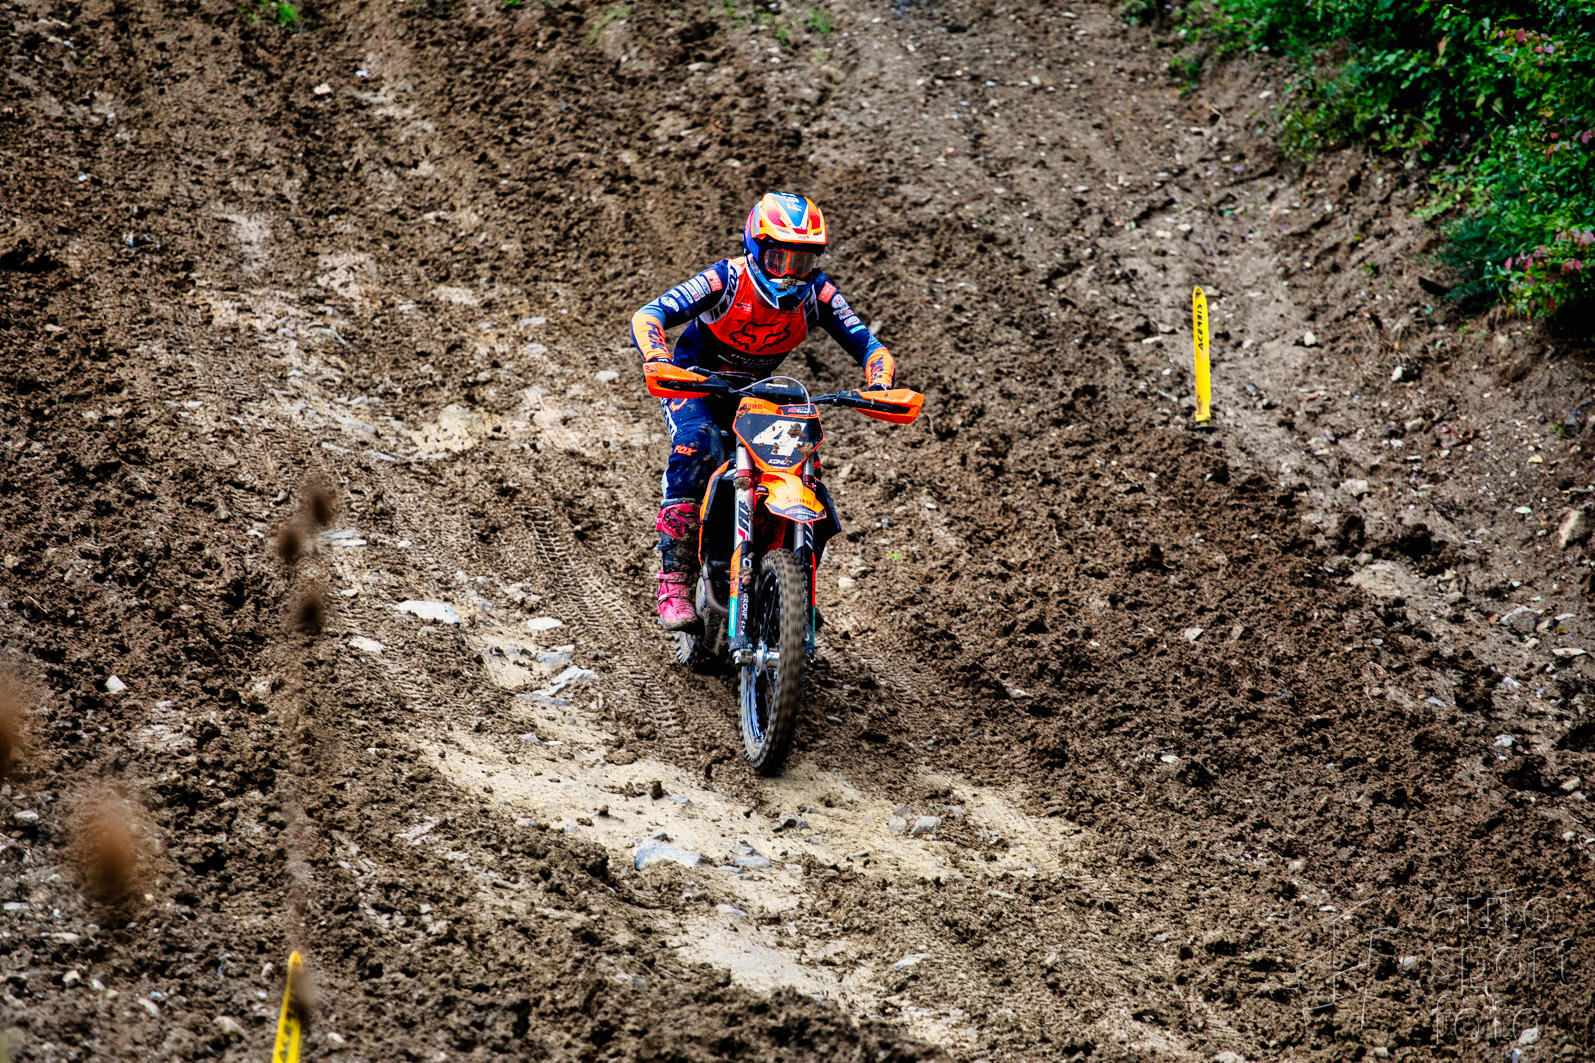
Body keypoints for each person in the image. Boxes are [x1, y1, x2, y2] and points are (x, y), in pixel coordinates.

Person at [630, 192, 897, 629]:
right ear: (755, 250)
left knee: (805, 468)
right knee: (697, 445)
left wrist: (879, 385)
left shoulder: (819, 294)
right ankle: (674, 581)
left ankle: (793, 588)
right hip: (695, 384)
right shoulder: (726, 279)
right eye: (779, 259)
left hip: (757, 393)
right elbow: (649, 314)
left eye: (802, 262)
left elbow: (871, 347)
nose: (790, 274)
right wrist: (658, 358)